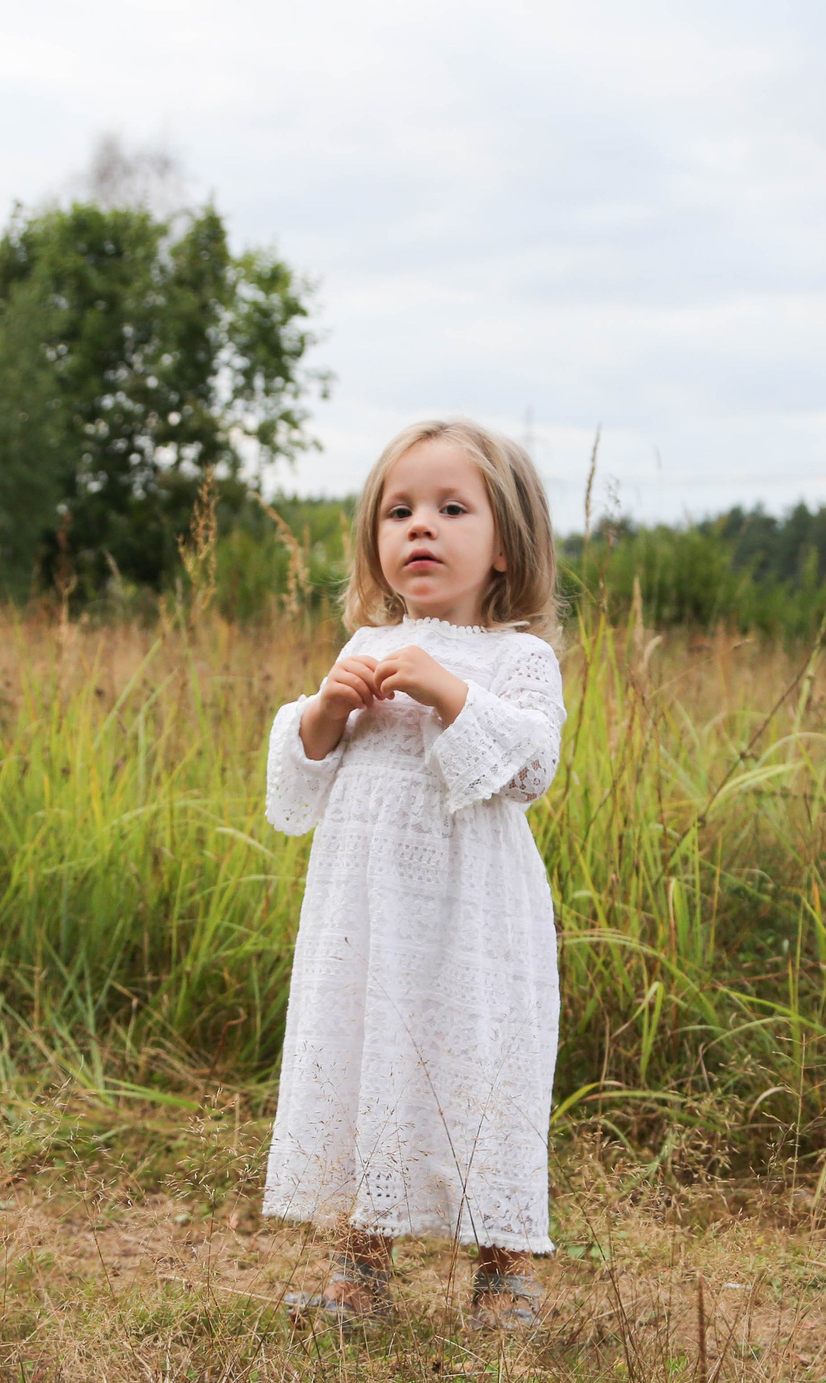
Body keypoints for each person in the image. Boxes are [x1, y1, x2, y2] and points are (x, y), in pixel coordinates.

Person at [261, 418, 566, 1331]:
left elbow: (530, 765)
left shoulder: (518, 658)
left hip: (474, 920)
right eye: (399, 511)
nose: (420, 527)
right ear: (374, 540)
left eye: (449, 508)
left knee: (482, 1063)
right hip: (368, 914)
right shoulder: (362, 646)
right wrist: (325, 708)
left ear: (505, 545)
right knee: (367, 1053)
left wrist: (443, 687)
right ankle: (359, 1270)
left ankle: (502, 1270)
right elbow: (305, 768)